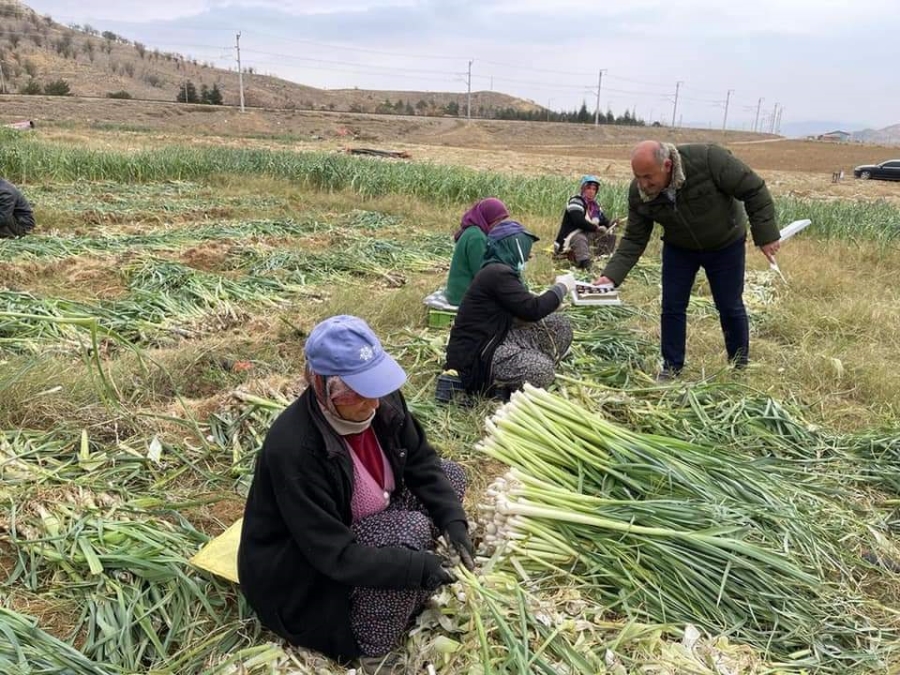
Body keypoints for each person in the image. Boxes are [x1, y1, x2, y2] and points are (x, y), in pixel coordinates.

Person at [238, 315, 474, 675]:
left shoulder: (383, 401)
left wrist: (453, 522)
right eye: (360, 396)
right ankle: (371, 645)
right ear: (322, 387)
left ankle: (411, 556)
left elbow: (422, 462)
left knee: (450, 476)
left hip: (370, 513)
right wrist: (415, 567)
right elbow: (334, 555)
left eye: (376, 390)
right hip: (306, 574)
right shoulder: (295, 448)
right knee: (407, 532)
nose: (375, 405)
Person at [594, 141, 780, 377]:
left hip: (725, 243)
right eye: (638, 177)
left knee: (729, 305)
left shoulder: (709, 159)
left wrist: (766, 235)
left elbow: (753, 189)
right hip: (679, 248)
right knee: (672, 307)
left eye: (648, 177)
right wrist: (610, 277)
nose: (643, 184)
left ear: (668, 165)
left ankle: (739, 365)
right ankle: (672, 367)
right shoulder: (639, 193)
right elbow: (634, 239)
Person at [440, 221, 577, 401]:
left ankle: (526, 363)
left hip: (499, 335)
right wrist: (561, 287)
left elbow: (522, 307)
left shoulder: (498, 271)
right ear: (514, 246)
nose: (529, 255)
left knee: (560, 325)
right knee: (543, 371)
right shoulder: (497, 273)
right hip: (478, 356)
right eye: (526, 249)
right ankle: (498, 387)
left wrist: (547, 300)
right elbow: (532, 310)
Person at [444, 197, 510, 307]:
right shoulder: (476, 237)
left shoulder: (474, 231)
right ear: (488, 217)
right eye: (498, 221)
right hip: (463, 296)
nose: (500, 225)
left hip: (460, 291)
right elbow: (483, 272)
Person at [553, 175, 616, 270]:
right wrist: (596, 228)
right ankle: (584, 263)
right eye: (589, 188)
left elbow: (603, 221)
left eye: (594, 189)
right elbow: (578, 221)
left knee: (609, 236)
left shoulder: (595, 207)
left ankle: (602, 259)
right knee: (580, 238)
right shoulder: (576, 201)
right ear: (583, 189)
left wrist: (611, 224)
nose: (591, 191)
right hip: (571, 236)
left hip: (587, 233)